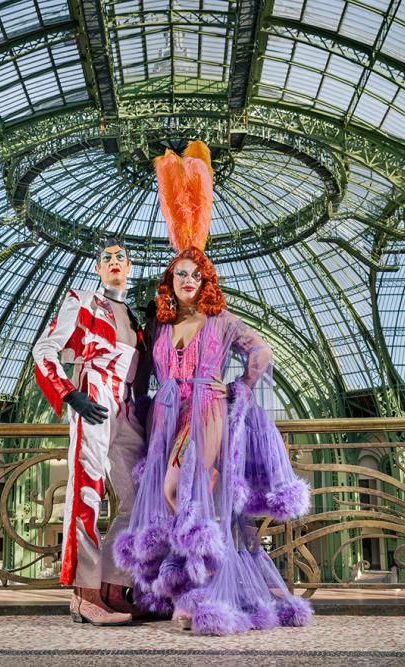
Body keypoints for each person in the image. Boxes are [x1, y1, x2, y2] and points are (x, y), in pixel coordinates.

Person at [113, 142, 313, 635]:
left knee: (187, 492)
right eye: (179, 273)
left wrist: (237, 389)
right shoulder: (159, 328)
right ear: (169, 280)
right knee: (170, 500)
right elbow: (140, 368)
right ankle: (188, 598)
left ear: (205, 280)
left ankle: (208, 580)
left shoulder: (220, 320)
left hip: (205, 410)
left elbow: (260, 352)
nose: (186, 280)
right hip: (165, 416)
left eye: (194, 274)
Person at [32, 238, 147, 626]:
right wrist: (70, 395)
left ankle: (114, 585)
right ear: (98, 269)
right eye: (107, 258)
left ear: (129, 268)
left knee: (139, 495)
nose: (114, 262)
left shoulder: (134, 318)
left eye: (121, 258)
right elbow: (44, 349)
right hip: (94, 397)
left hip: (127, 408)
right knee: (87, 491)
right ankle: (84, 595)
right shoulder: (81, 300)